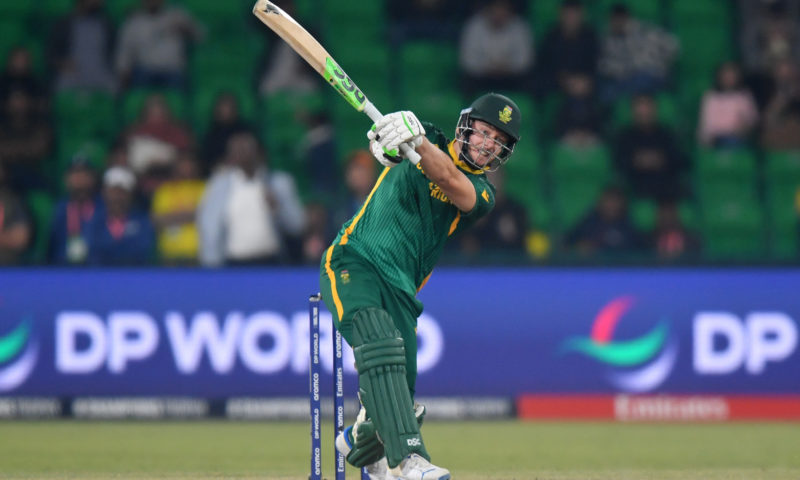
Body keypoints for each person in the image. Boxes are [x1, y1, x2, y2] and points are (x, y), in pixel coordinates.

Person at [321, 93, 521, 480]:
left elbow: (447, 178)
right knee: (379, 342)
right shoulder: (426, 132)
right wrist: (390, 139)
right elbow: (386, 151)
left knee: (400, 403)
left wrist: (419, 144)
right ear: (466, 127)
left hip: (402, 290)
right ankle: (409, 460)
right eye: (484, 132)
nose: (487, 145)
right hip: (354, 259)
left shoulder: (482, 194)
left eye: (498, 142)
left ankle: (360, 442)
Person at [197, 131, 306, 267]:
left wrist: (278, 208)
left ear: (258, 152)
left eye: (245, 149)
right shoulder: (219, 185)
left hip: (271, 262)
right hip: (233, 264)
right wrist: (211, 264)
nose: (242, 154)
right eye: (237, 150)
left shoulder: (279, 183)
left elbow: (297, 225)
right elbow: (209, 226)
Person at [598, 3, 679, 104]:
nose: (617, 23)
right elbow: (605, 66)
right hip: (626, 79)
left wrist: (662, 64)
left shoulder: (645, 30)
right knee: (606, 92)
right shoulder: (608, 39)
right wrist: (623, 71)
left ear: (626, 18)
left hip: (652, 75)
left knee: (641, 79)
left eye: (619, 19)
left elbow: (673, 46)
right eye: (614, 20)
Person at [613, 94, 687, 201]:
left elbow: (679, 162)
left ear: (654, 109)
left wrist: (660, 160)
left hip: (665, 189)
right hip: (635, 188)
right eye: (640, 107)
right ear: (633, 111)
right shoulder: (625, 137)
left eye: (647, 107)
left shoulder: (666, 135)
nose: (644, 112)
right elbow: (619, 163)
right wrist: (637, 161)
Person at [114, 0, 204, 90]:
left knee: (178, 81)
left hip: (173, 71)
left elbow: (200, 37)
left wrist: (187, 29)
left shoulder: (177, 15)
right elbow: (124, 51)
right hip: (144, 72)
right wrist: (123, 72)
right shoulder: (133, 21)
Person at [458, 0, 534, 97]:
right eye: (496, 9)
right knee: (467, 82)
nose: (499, 13)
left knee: (529, 82)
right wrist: (487, 67)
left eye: (503, 9)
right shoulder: (474, 25)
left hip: (510, 77)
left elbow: (525, 60)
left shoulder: (520, 26)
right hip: (482, 77)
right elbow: (467, 60)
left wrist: (507, 67)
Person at [85, 166, 156, 265]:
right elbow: (92, 249)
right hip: (100, 273)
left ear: (131, 194)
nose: (117, 197)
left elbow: (142, 249)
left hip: (134, 273)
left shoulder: (142, 221)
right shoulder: (94, 220)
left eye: (122, 192)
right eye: (113, 191)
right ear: (104, 193)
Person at [48, 0, 117, 93]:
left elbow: (114, 54)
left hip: (100, 73)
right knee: (61, 87)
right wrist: (62, 63)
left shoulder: (106, 25)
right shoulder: (64, 24)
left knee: (114, 88)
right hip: (73, 73)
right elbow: (51, 54)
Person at [150, 150, 205, 265]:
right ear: (175, 166)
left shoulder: (204, 188)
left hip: (198, 254)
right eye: (183, 162)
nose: (186, 166)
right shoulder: (164, 190)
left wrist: (173, 217)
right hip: (169, 254)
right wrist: (190, 215)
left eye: (190, 162)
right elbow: (157, 220)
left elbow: (206, 215)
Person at [536, 0, 599, 97]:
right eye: (568, 14)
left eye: (574, 15)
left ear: (581, 15)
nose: (571, 19)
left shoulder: (590, 36)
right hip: (555, 83)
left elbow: (594, 64)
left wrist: (583, 80)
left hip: (583, 84)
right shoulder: (552, 36)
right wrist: (564, 80)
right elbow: (543, 65)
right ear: (560, 15)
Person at [49, 155, 102, 265]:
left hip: (96, 268)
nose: (79, 178)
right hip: (62, 268)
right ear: (66, 179)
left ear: (93, 178)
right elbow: (52, 244)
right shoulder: (59, 208)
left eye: (84, 174)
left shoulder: (103, 207)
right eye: (75, 173)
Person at [565, 184, 643, 256]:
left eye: (615, 201)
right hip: (590, 265)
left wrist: (599, 248)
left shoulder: (628, 226)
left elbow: (638, 250)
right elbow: (568, 243)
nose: (611, 205)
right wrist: (578, 247)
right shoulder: (589, 222)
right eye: (608, 201)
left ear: (622, 204)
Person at [697, 61, 759, 148]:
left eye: (732, 75)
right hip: (716, 139)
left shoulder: (744, 96)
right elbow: (706, 125)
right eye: (726, 75)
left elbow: (753, 120)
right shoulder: (711, 97)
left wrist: (745, 125)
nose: (729, 78)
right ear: (719, 77)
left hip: (740, 137)